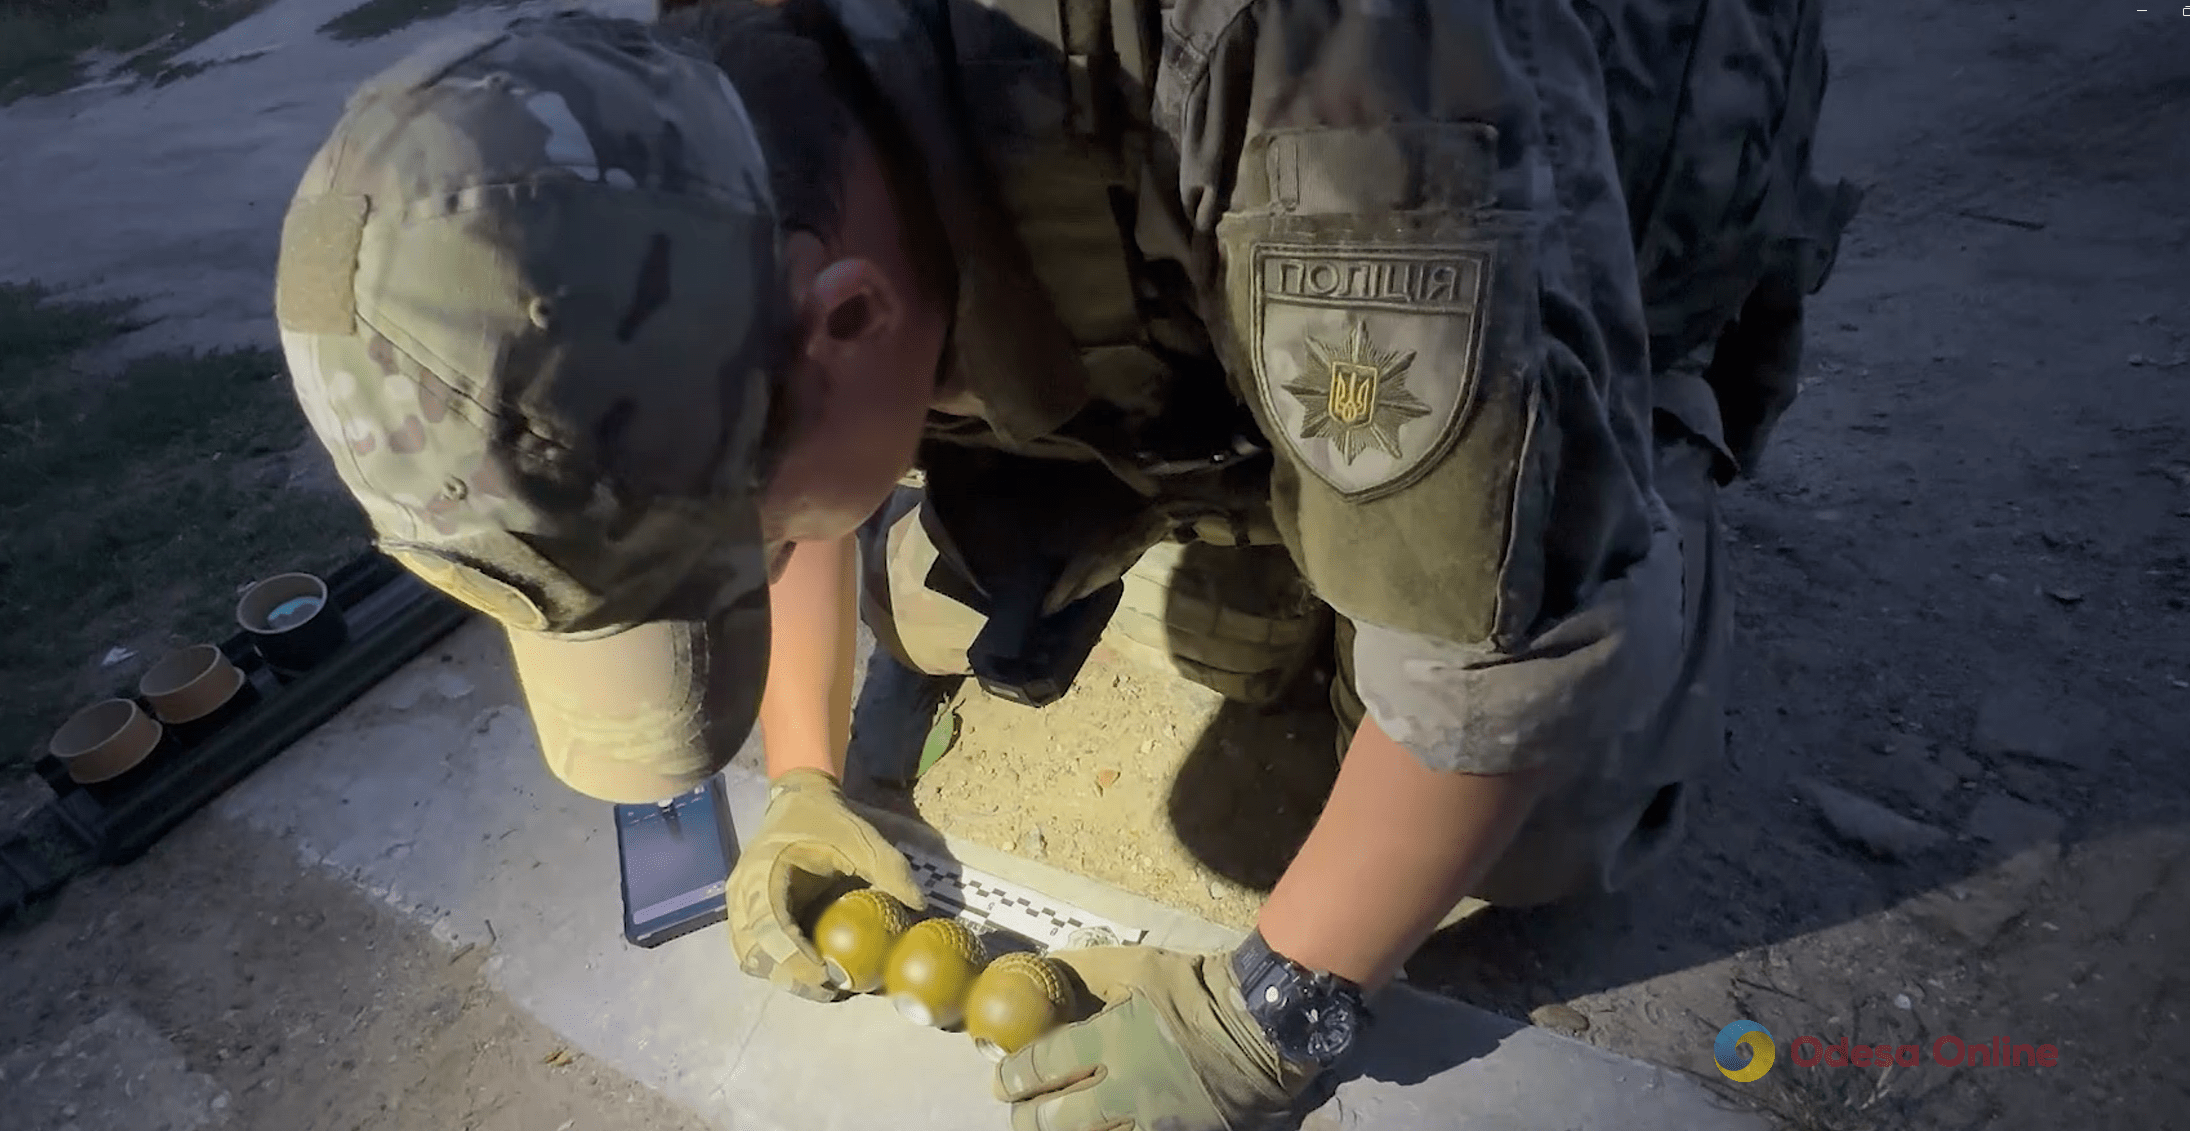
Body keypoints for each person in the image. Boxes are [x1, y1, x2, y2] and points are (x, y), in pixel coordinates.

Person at [273, 0, 1857, 1126]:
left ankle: (1611, 443)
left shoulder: (1343, 120)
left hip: (1612, 146)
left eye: (739, 547)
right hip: (1152, 216)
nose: (755, 563)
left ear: (848, 317)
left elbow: (1491, 670)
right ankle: (1266, 480)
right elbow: (765, 424)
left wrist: (1261, 1025)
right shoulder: (687, 100)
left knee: (1522, 786)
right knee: (950, 594)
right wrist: (816, 776)